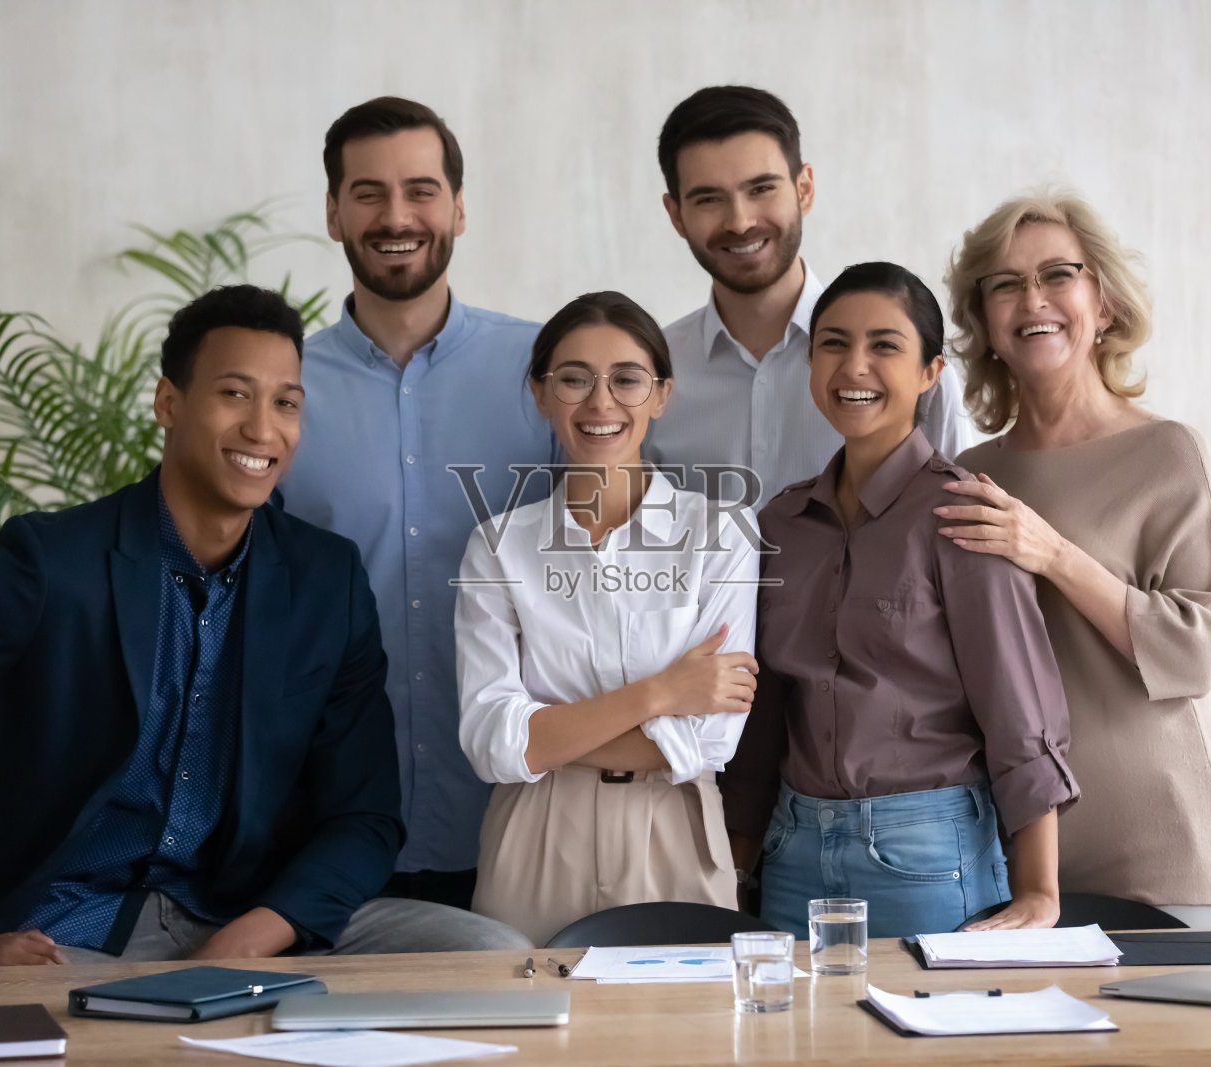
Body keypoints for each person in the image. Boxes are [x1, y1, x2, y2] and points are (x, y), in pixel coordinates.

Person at [0, 285, 528, 965]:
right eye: (234, 393)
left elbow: (365, 817)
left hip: (254, 916)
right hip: (68, 930)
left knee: (494, 957)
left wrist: (250, 939)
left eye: (286, 402)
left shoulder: (325, 581)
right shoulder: (54, 564)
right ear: (168, 402)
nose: (261, 427)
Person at [721, 263, 1079, 938]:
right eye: (832, 343)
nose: (853, 365)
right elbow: (763, 714)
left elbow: (1018, 705)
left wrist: (1039, 890)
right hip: (791, 851)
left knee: (924, 1041)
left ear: (929, 371)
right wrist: (738, 865)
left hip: (929, 853)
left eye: (884, 345)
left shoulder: (964, 513)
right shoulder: (779, 524)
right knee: (789, 1044)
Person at [941, 190, 1211, 927]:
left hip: (1165, 845)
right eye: (1006, 283)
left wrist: (1049, 551)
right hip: (1018, 861)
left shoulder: (1168, 453)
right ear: (984, 319)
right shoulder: (968, 473)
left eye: (1057, 274)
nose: (1032, 299)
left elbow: (1193, 651)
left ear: (1103, 301)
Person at [278, 97, 555, 912]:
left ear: (459, 208)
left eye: (422, 190)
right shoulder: (280, 391)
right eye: (367, 193)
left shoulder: (547, 372)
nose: (396, 216)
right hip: (325, 820)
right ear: (333, 213)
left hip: (522, 815)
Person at [454, 291, 760, 946]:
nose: (600, 403)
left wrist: (546, 735)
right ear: (540, 393)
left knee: (685, 1042)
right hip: (534, 834)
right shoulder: (498, 544)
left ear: (662, 394)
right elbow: (489, 739)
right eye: (574, 378)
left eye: (627, 379)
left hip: (674, 828)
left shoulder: (721, 533)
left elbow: (712, 739)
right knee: (530, 1039)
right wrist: (660, 694)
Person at [646, 85, 972, 508]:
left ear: (804, 189)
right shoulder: (645, 375)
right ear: (676, 215)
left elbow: (958, 526)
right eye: (709, 199)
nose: (741, 222)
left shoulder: (916, 366)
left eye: (761, 189)